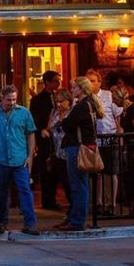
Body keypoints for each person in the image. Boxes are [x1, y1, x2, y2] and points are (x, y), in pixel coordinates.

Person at [0, 85, 40, 236]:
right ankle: (2, 221)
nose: (12, 102)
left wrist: (29, 156)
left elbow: (31, 134)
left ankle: (30, 223)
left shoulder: (24, 113)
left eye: (14, 99)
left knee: (25, 190)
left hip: (20, 158)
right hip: (1, 159)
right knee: (2, 192)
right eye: (9, 100)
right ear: (2, 98)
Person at [58, 76, 103, 232]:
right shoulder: (90, 104)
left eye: (74, 88)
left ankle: (77, 220)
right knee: (80, 184)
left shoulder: (82, 107)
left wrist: (63, 116)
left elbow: (67, 125)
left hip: (78, 148)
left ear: (81, 89)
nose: (72, 90)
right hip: (84, 146)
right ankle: (74, 217)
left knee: (78, 185)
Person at [88, 69, 123, 216]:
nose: (89, 84)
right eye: (87, 81)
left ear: (99, 82)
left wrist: (118, 130)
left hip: (109, 137)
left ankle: (111, 203)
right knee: (97, 173)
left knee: (111, 172)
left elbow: (117, 114)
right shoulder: (85, 98)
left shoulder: (108, 96)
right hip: (94, 140)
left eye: (92, 81)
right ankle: (98, 202)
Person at [30, 70, 61, 210]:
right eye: (55, 80)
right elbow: (34, 120)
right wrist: (40, 131)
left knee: (56, 170)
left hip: (57, 139)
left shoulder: (58, 97)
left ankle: (54, 198)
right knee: (46, 170)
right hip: (44, 139)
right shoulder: (37, 100)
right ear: (47, 82)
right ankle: (47, 200)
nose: (58, 83)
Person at [48, 88, 73, 224]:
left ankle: (74, 208)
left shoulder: (72, 112)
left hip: (69, 150)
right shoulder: (55, 112)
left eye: (61, 101)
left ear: (68, 101)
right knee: (64, 181)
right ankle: (71, 206)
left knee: (71, 182)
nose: (59, 104)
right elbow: (49, 126)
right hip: (58, 151)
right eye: (57, 102)